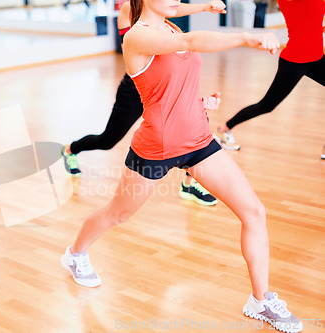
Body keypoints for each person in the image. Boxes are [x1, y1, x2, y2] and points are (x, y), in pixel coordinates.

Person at [60, 0, 303, 331]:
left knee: (254, 212)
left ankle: (260, 301)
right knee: (119, 213)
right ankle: (75, 254)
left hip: (199, 141)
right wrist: (246, 37)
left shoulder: (169, 25)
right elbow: (189, 43)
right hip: (156, 148)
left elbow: (170, 83)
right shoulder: (137, 36)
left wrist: (198, 102)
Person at [61, 0, 226, 206]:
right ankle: (70, 149)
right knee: (108, 140)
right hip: (136, 90)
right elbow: (164, 9)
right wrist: (202, 8)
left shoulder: (161, 12)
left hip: (164, 86)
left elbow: (170, 8)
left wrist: (204, 7)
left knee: (192, 131)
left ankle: (190, 183)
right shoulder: (130, 10)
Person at [215, 0, 325, 153]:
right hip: (295, 62)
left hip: (317, 58)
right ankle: (225, 128)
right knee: (266, 106)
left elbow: (310, 22)